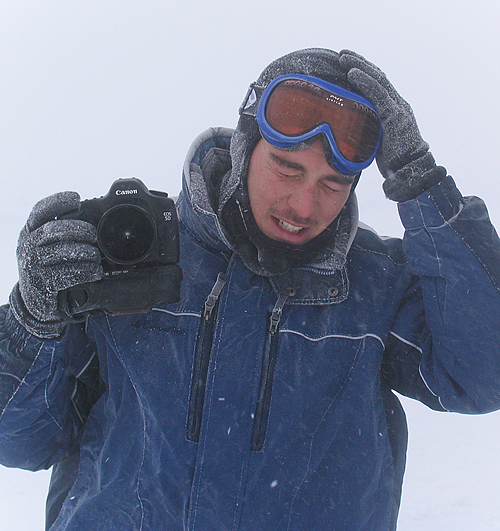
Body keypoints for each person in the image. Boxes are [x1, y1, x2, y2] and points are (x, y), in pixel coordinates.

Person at [1, 48, 500, 531]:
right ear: (246, 147)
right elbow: (17, 439)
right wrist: (33, 317)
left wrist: (421, 182)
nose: (305, 206)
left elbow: (483, 375)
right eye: (288, 168)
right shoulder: (133, 253)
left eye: (332, 185)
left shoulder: (374, 285)